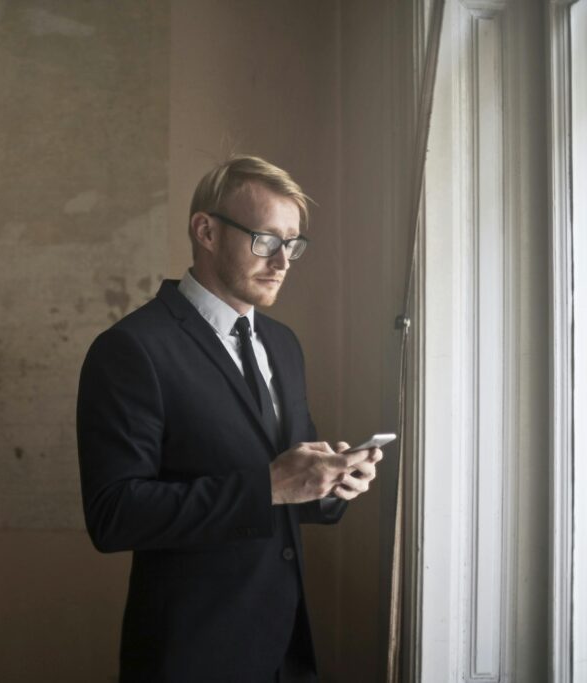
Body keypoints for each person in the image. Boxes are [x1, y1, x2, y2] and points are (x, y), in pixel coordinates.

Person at [76, 154, 383, 682]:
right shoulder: (131, 349)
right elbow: (113, 515)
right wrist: (267, 487)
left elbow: (290, 485)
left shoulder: (283, 345)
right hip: (192, 655)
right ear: (207, 231)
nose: (283, 261)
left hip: (286, 651)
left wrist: (332, 484)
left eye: (293, 244)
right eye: (266, 240)